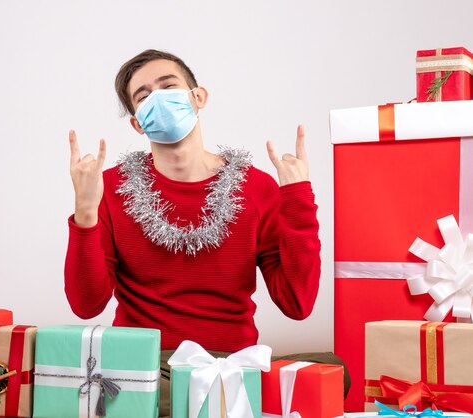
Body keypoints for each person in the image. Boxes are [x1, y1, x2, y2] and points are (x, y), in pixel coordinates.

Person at [65, 49, 348, 416]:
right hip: (150, 367)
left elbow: (297, 304)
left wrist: (297, 198)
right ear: (138, 123)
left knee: (332, 373)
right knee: (161, 396)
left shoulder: (256, 187)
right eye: (144, 96)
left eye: (168, 86)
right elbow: (87, 305)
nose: (159, 99)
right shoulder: (108, 188)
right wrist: (85, 213)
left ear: (198, 97)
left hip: (232, 364)